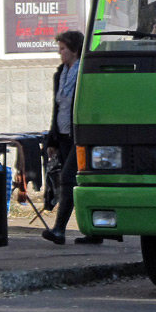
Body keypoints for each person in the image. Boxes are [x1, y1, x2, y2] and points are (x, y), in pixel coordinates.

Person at [43, 30, 100, 245]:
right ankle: (95, 230)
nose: (60, 53)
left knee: (68, 179)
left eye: (63, 49)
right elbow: (57, 107)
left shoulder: (85, 72)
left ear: (74, 50)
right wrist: (52, 140)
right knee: (82, 182)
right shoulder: (61, 72)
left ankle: (59, 230)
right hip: (65, 134)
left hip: (82, 136)